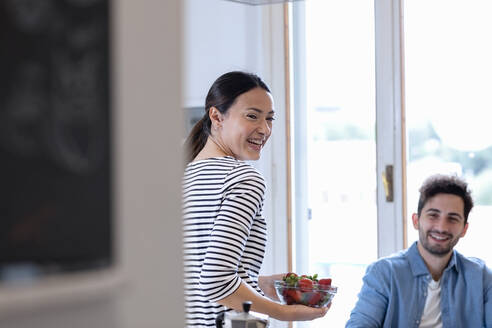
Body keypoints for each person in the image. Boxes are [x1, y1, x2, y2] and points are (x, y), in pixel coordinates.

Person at [182, 71, 328, 327]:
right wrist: (282, 312)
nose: (264, 129)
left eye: (270, 119)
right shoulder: (243, 178)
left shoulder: (182, 177)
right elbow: (216, 281)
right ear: (216, 116)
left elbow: (195, 277)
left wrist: (257, 282)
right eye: (252, 116)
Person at [346, 174, 492, 327]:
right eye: (433, 215)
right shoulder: (384, 273)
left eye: (453, 218)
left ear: (464, 229)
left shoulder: (481, 277)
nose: (441, 227)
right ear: (416, 221)